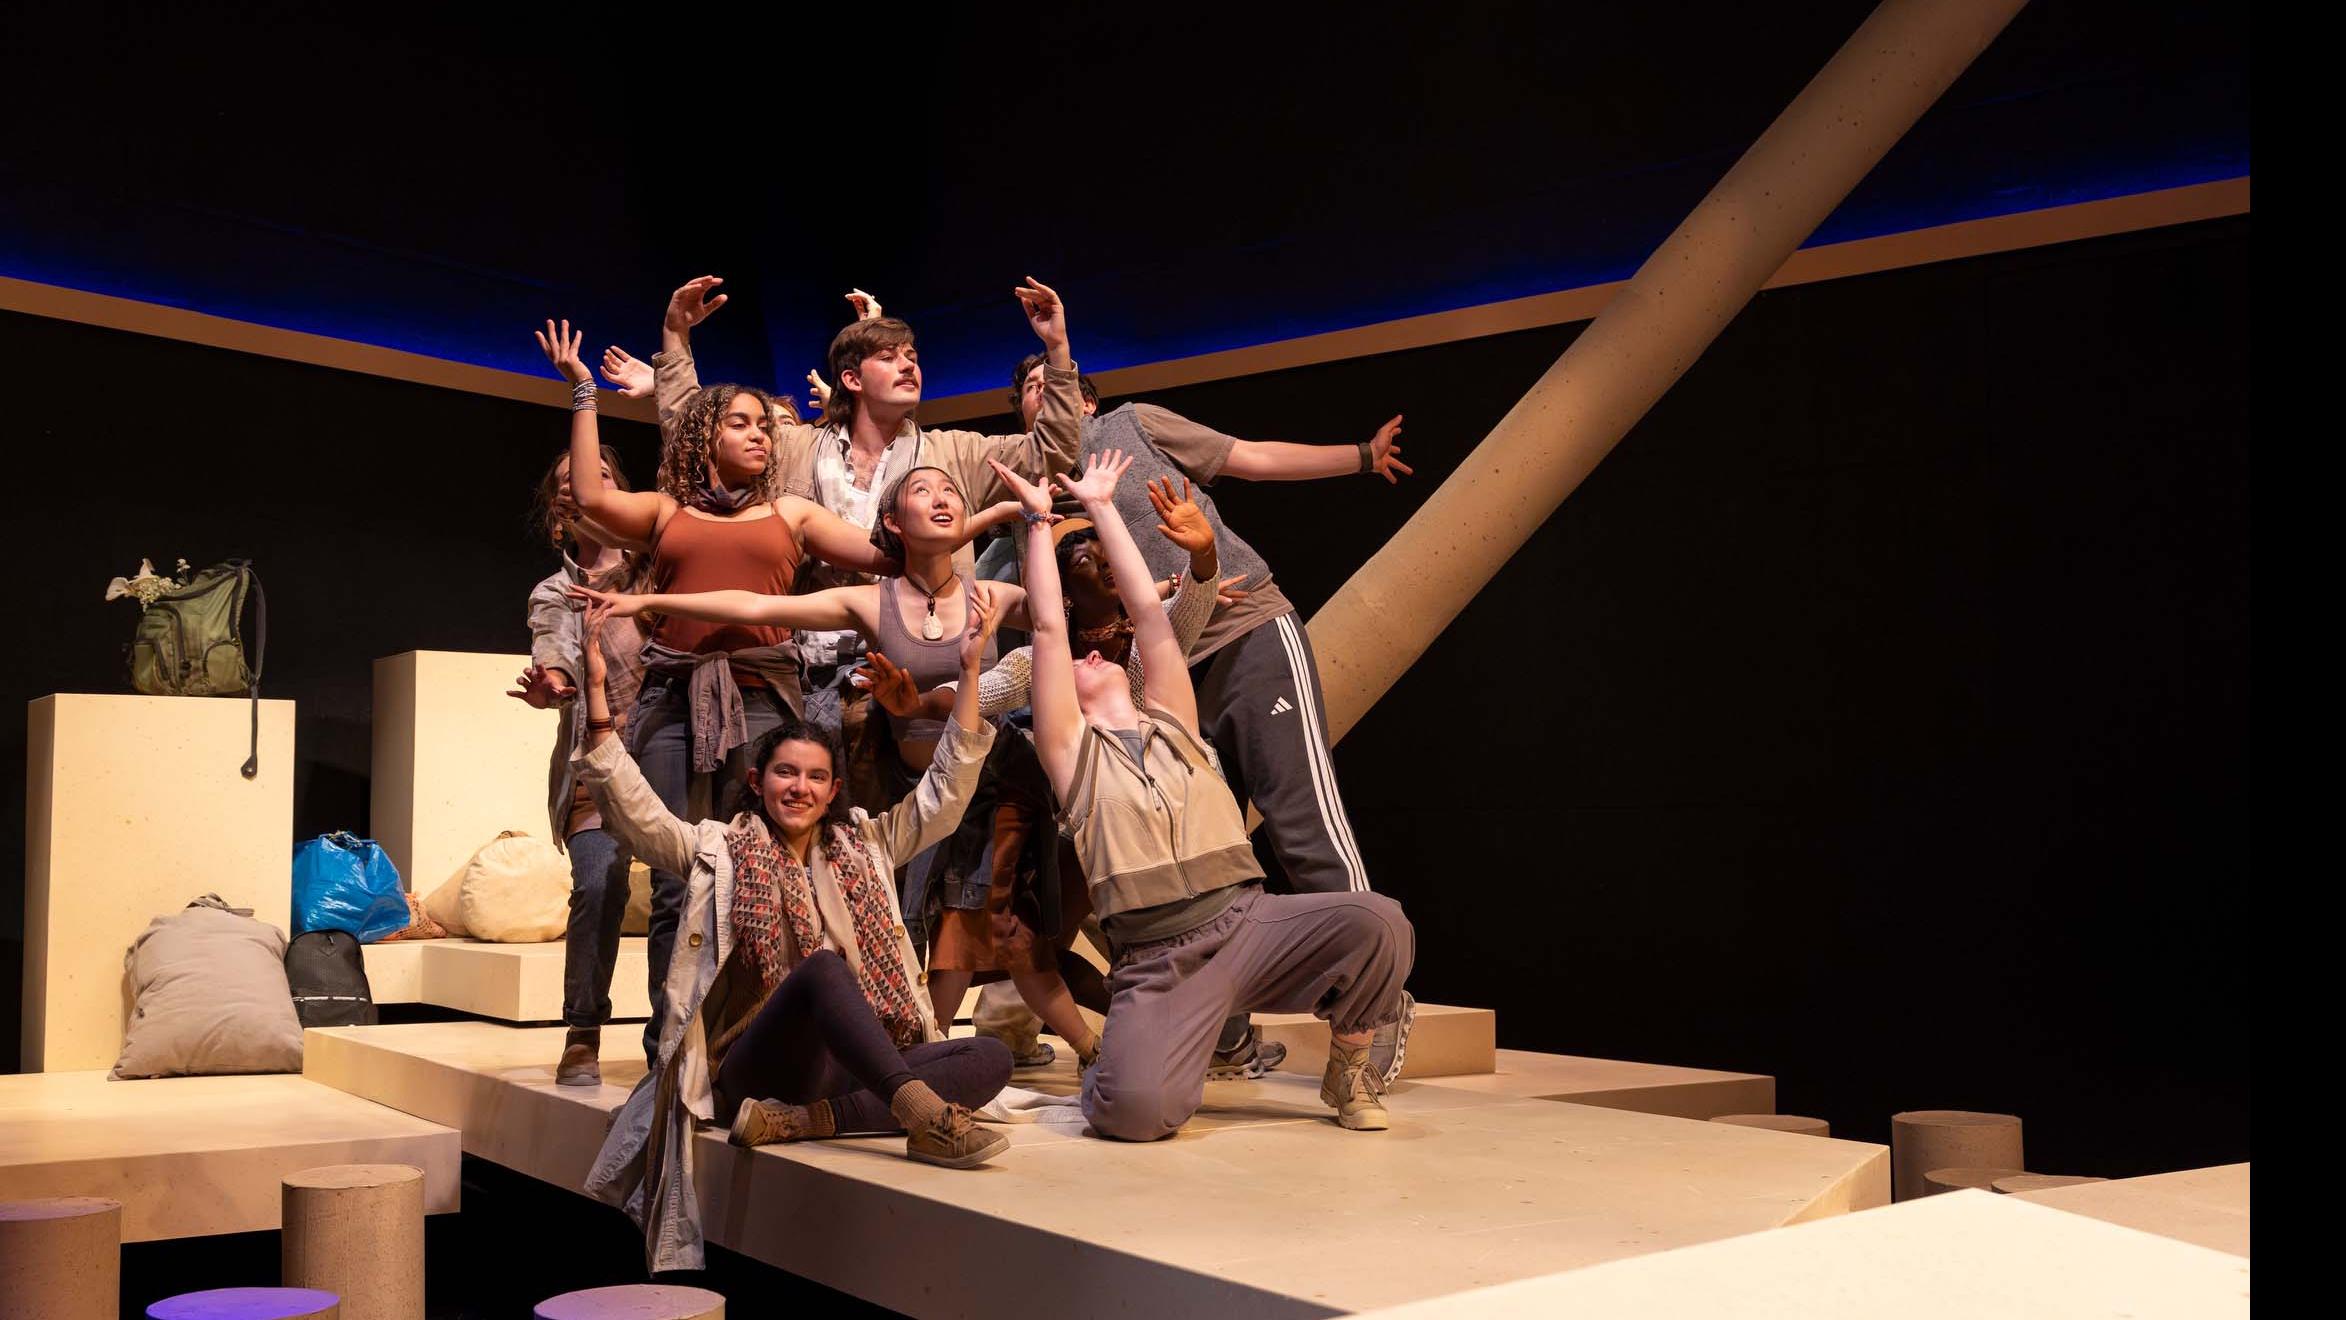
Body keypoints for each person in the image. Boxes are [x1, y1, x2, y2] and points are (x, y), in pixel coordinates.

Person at [1002, 356, 1419, 1083]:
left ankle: (1374, 1010)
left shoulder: (1134, 424)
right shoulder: (1026, 491)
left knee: (1302, 818)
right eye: (1030, 390)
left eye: (1055, 382)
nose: (1045, 395)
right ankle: (1223, 1032)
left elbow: (1250, 457)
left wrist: (1359, 456)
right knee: (1189, 847)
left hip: (1243, 634)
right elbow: (1012, 600)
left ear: (1085, 398)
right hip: (1151, 676)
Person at [574, 586, 1013, 1274]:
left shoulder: (867, 845)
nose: (800, 788)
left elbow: (946, 793)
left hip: (841, 1073)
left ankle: (806, 1121)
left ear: (834, 790)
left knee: (991, 1058)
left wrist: (971, 670)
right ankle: (921, 1115)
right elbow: (635, 813)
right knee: (823, 972)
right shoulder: (719, 850)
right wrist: (598, 697)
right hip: (756, 1065)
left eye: (815, 777)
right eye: (785, 773)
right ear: (758, 780)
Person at [537, 318, 899, 1064]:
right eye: (741, 423)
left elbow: (882, 555)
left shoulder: (792, 513)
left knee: (754, 871)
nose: (759, 434)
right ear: (706, 436)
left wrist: (952, 512)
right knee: (678, 879)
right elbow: (593, 498)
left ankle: (742, 1038)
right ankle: (668, 1045)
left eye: (765, 425)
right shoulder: (665, 513)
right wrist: (583, 392)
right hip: (672, 702)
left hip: (764, 703)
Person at [568, 462, 1029, 1029]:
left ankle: (909, 1044)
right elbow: (754, 606)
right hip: (905, 779)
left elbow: (1063, 624)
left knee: (971, 927)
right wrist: (648, 607)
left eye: (951, 491)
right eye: (922, 490)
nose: (941, 497)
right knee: (903, 914)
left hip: (974, 777)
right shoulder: (871, 601)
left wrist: (1030, 519)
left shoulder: (993, 596)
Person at [604, 277, 1087, 807]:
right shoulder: (794, 446)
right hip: (811, 678)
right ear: (851, 379)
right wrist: (676, 340)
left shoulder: (954, 454)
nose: (909, 366)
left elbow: (1049, 453)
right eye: (890, 357)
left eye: (912, 356)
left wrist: (1057, 348)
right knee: (816, 830)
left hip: (919, 677)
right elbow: (698, 430)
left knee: (922, 829)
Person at [865, 476, 1237, 1069]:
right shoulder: (1041, 661)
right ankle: (1104, 1045)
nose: (1106, 565)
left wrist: (1203, 554)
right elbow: (975, 692)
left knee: (1141, 934)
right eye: (1086, 560)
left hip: (1165, 819)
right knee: (1027, 938)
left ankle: (1203, 1034)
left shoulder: (1147, 641)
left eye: (1106, 554)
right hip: (1083, 824)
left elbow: (1183, 606)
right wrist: (914, 704)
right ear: (1062, 591)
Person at [509, 446, 651, 1087]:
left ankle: (671, 1035)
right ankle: (583, 1031)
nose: (581, 487)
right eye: (567, 482)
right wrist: (552, 684)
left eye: (596, 475)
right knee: (598, 882)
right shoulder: (554, 591)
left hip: (670, 753)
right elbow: (554, 650)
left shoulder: (655, 571)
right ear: (557, 511)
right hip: (598, 764)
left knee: (680, 893)